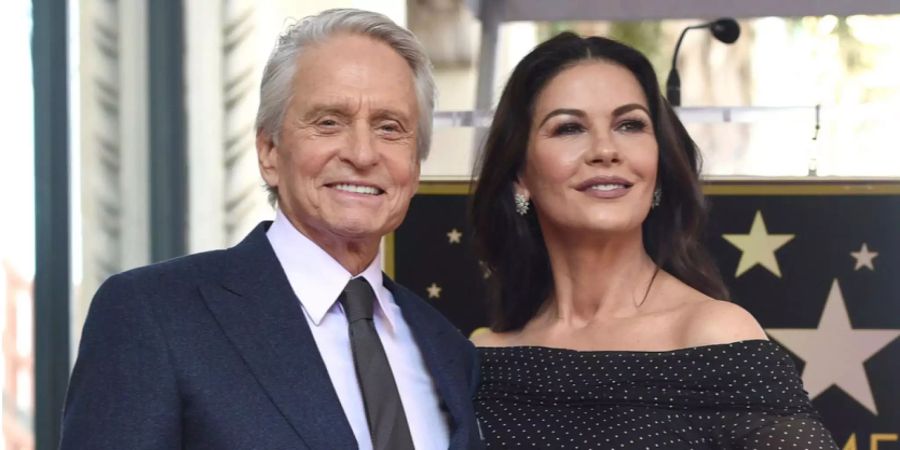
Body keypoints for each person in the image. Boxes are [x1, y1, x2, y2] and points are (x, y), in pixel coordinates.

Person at [60, 9, 482, 450]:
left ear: (414, 168)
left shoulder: (447, 351)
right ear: (268, 151)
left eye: (390, 128)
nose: (362, 153)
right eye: (328, 122)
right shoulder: (154, 316)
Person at [469, 32, 837, 449]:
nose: (605, 150)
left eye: (630, 125)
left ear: (659, 166)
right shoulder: (482, 358)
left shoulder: (713, 335)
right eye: (569, 128)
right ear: (520, 176)